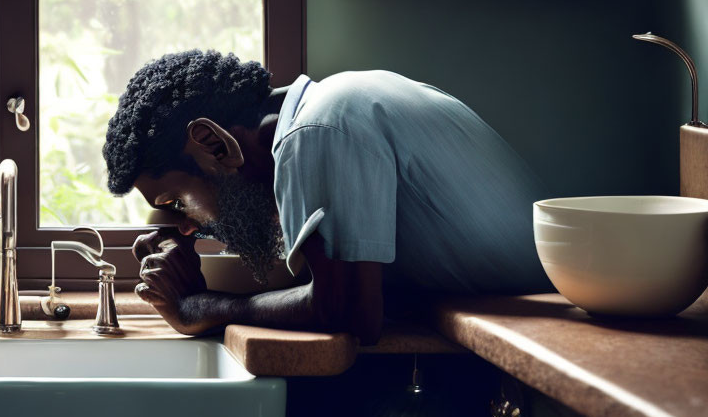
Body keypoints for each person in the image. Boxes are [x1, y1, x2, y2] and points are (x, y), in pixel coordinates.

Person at [102, 50, 553, 345]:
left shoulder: (314, 133)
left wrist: (199, 307)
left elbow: (346, 313)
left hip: (541, 325)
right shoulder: (327, 106)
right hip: (523, 315)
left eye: (175, 202)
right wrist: (176, 241)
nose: (183, 223)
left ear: (215, 145)